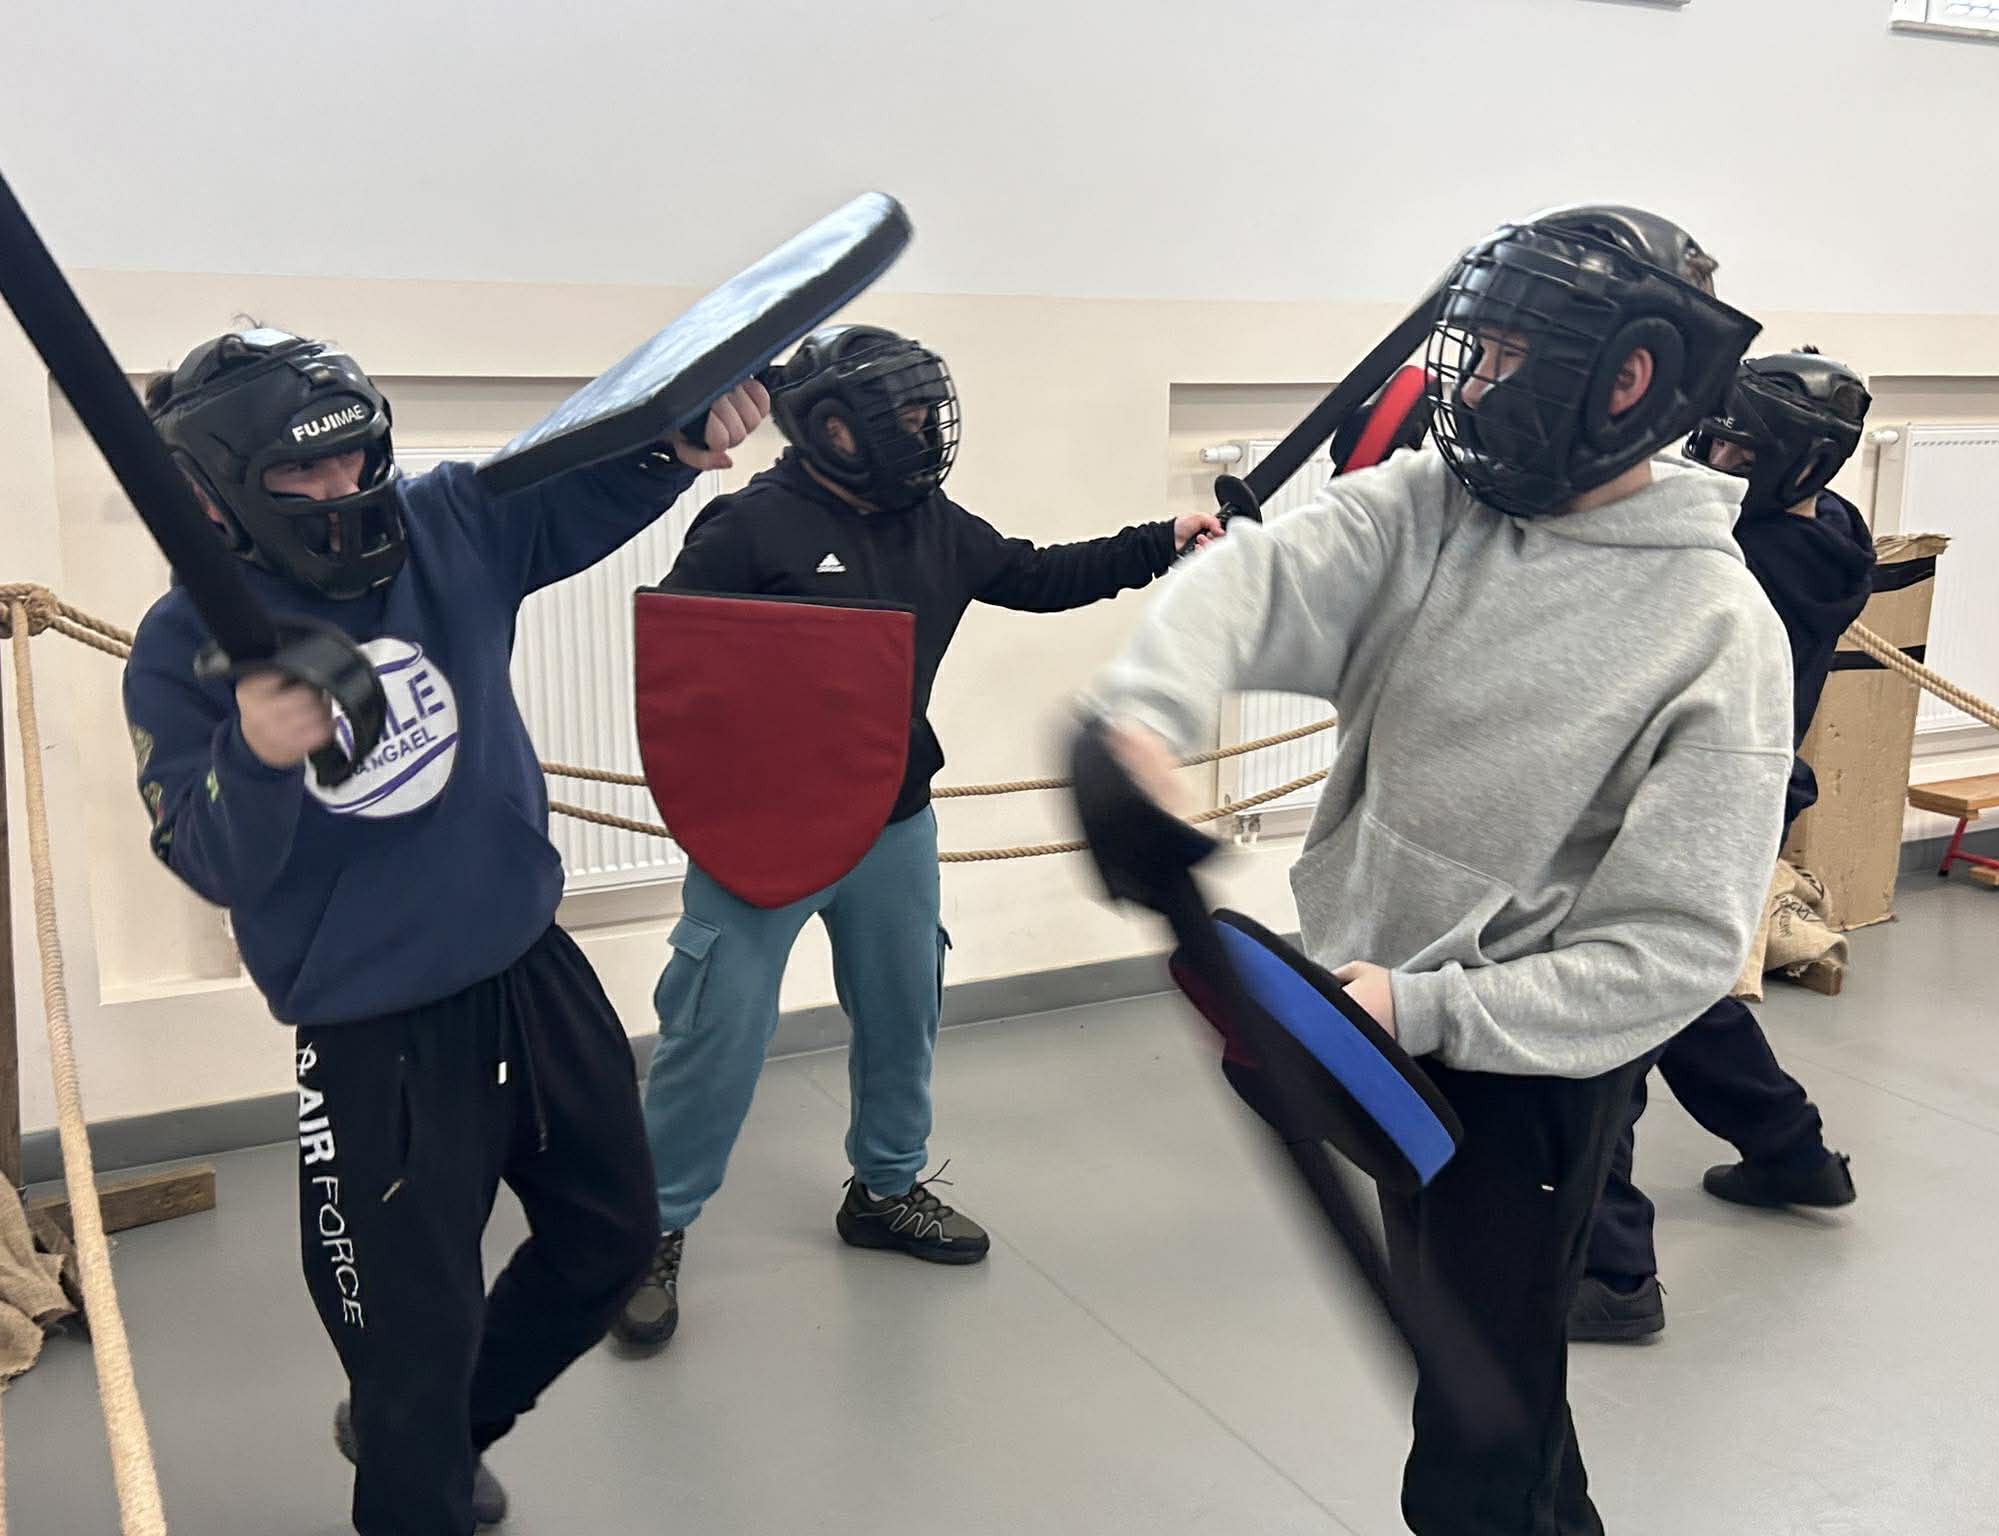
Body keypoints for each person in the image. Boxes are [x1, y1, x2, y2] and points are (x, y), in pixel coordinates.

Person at [1090, 208, 1788, 1535]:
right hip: (1380, 1026)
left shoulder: (1714, 629)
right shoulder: (1432, 508)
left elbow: (1678, 949)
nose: (1469, 389)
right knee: (1492, 1393)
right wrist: (1144, 721)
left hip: (1527, 1080)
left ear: (1626, 378)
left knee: (1474, 1448)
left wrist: (1422, 1010)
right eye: (1480, 350)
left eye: (1509, 357)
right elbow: (1254, 582)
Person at [121, 326, 767, 1535]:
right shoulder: (181, 644)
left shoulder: (444, 524)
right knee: (406, 1341)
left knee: (610, 1243)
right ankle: (414, 1452)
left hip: (530, 963)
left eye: (356, 457)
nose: (341, 490)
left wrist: (678, 444)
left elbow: (575, 495)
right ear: (212, 495)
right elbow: (206, 859)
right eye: (298, 473)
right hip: (375, 1035)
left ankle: (441, 1427)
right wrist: (255, 754)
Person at [612, 324, 1226, 1350]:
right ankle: (649, 1231)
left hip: (891, 822)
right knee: (716, 1031)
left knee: (904, 1015)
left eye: (923, 412)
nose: (921, 432)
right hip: (760, 834)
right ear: (834, 429)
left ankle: (885, 1191)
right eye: (900, 416)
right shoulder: (748, 528)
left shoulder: (930, 523)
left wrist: (1162, 539)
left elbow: (1038, 574)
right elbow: (681, 677)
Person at [1572, 349, 1874, 1344]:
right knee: (1685, 987)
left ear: (1797, 461)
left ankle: (1611, 1270)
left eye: (1739, 449)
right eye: (1714, 439)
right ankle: (1791, 1154)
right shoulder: (1828, 530)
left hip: (1695, 805)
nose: (1714, 459)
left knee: (1611, 1013)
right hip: (1738, 801)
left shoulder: (1749, 563)